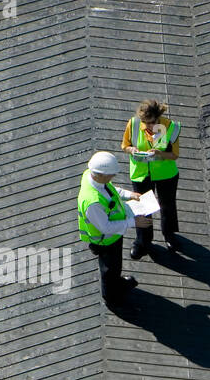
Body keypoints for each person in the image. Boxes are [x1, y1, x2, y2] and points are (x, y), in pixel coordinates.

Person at [76, 151, 152, 305]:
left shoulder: (91, 177)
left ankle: (116, 283)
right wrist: (133, 222)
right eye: (110, 175)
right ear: (100, 175)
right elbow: (105, 228)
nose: (112, 178)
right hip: (106, 241)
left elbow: (110, 190)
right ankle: (111, 297)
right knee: (109, 269)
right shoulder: (93, 203)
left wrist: (129, 195)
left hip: (113, 237)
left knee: (115, 267)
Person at [122, 99, 181, 259]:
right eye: (145, 123)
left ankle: (169, 235)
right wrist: (131, 149)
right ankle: (143, 241)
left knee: (167, 205)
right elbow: (124, 146)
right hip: (142, 174)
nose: (148, 126)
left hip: (165, 174)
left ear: (158, 118)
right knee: (143, 208)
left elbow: (174, 155)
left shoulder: (170, 127)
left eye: (152, 122)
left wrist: (160, 154)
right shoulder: (133, 124)